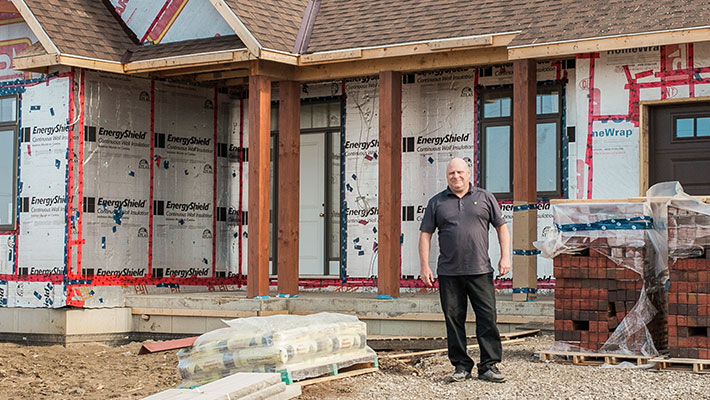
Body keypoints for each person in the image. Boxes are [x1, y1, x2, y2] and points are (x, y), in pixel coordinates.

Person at [418, 157, 511, 383]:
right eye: (452, 173)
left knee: (487, 317)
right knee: (454, 320)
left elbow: (502, 228)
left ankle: (489, 366)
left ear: (469, 174)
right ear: (447, 176)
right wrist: (424, 266)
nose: (456, 176)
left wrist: (505, 256)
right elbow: (425, 235)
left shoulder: (485, 198)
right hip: (449, 273)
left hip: (480, 270)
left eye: (460, 172)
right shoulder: (436, 202)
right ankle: (461, 365)